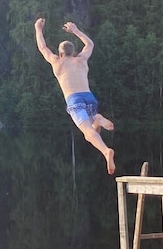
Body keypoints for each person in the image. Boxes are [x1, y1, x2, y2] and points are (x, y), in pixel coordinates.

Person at [34, 17, 116, 174]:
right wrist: (75, 30)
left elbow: (43, 48)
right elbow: (90, 44)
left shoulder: (57, 62)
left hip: (74, 100)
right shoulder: (81, 59)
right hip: (89, 97)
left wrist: (38, 29)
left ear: (60, 53)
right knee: (92, 131)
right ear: (74, 52)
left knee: (87, 132)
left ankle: (106, 151)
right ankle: (98, 119)